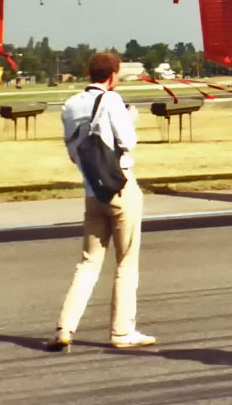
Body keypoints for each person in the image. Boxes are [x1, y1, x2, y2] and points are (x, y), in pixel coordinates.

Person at [47, 52, 155, 352]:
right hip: (120, 187)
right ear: (113, 74)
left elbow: (72, 151)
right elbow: (128, 141)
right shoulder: (112, 101)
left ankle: (65, 327)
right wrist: (130, 116)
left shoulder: (69, 106)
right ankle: (122, 331)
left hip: (92, 191)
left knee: (88, 263)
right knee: (126, 262)